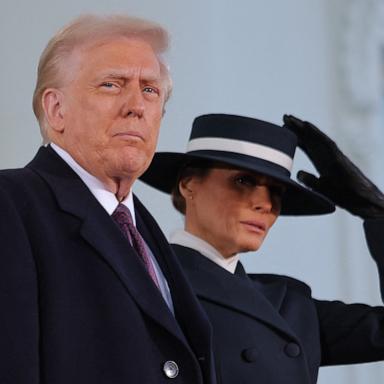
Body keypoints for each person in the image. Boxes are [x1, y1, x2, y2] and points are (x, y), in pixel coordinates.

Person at [0, 15, 216, 384]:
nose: (137, 106)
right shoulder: (12, 203)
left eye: (150, 89)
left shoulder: (144, 230)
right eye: (111, 84)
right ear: (56, 109)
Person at [140, 113, 384, 383]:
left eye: (276, 191)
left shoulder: (290, 305)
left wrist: (376, 214)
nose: (265, 204)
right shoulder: (148, 282)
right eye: (244, 181)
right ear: (188, 184)